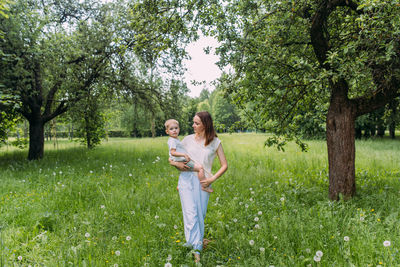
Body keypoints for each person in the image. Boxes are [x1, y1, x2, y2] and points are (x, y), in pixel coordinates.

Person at [169, 111, 228, 263]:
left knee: (199, 216)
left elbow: (224, 165)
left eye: (197, 123)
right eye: (193, 122)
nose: (193, 125)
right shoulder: (187, 139)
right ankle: (196, 251)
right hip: (186, 181)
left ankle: (195, 242)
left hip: (203, 183)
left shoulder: (215, 142)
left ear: (205, 125)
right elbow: (173, 158)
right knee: (190, 214)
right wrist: (177, 165)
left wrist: (212, 179)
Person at [165, 119, 213, 193]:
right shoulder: (172, 141)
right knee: (200, 168)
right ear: (167, 131)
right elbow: (172, 152)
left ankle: (180, 185)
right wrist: (184, 155)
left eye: (176, 128)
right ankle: (204, 186)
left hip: (180, 160)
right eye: (171, 129)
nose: (174, 130)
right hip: (180, 161)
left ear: (179, 129)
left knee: (191, 168)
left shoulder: (175, 139)